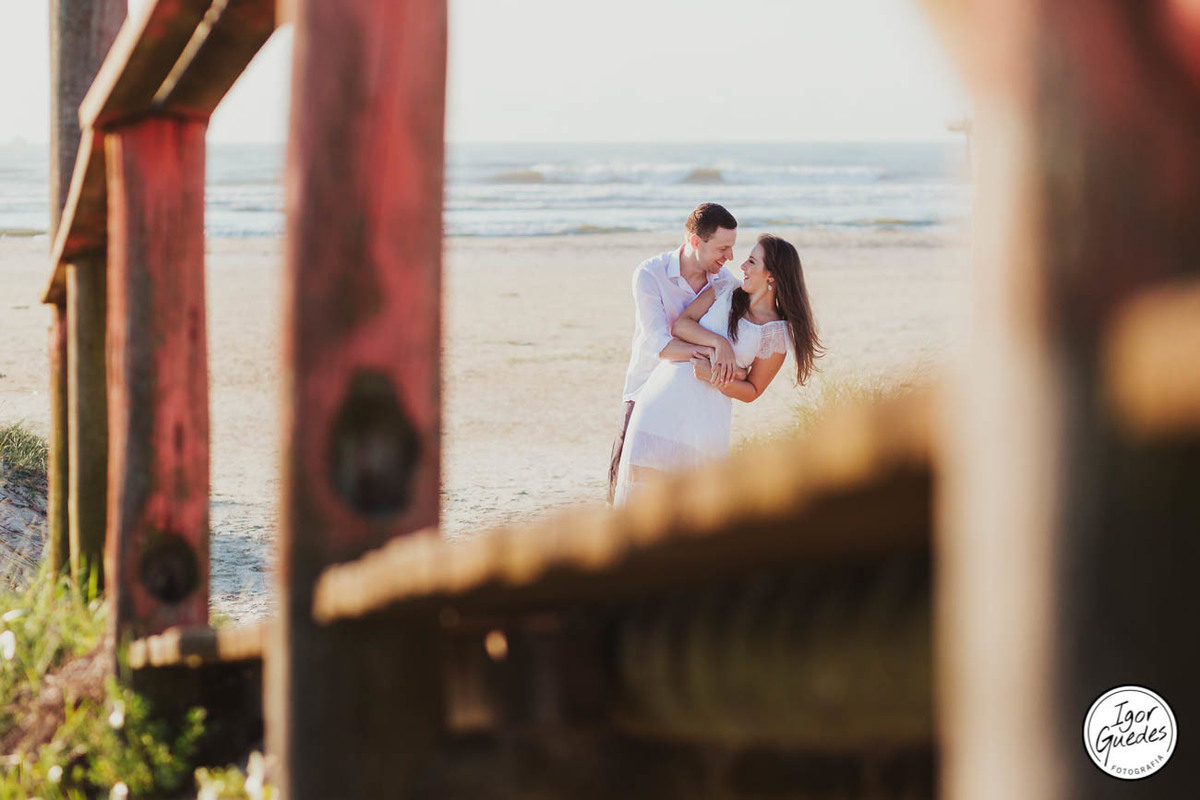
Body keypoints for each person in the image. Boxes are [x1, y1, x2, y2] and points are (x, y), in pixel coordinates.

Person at [612, 234, 822, 506]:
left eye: (751, 261)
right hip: (660, 402)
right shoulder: (724, 289)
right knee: (639, 495)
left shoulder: (775, 334)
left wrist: (715, 376)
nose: (742, 266)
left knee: (688, 503)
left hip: (705, 418)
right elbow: (682, 326)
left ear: (771, 276)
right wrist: (716, 346)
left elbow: (752, 390)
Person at [607, 203, 740, 504]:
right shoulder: (650, 275)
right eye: (722, 248)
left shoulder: (725, 283)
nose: (730, 257)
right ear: (695, 241)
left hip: (699, 403)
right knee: (626, 490)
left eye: (732, 248)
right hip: (645, 394)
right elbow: (661, 345)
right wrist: (714, 348)